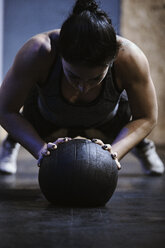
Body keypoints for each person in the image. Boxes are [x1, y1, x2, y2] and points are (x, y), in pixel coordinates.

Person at [0, 0, 164, 175]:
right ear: (61, 54)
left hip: (108, 120)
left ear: (111, 62)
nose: (83, 87)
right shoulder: (39, 51)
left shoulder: (129, 57)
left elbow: (146, 117)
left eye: (95, 79)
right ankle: (12, 142)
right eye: (74, 76)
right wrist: (40, 149)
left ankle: (140, 145)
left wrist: (114, 152)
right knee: (26, 105)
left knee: (128, 117)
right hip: (46, 118)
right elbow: (5, 110)